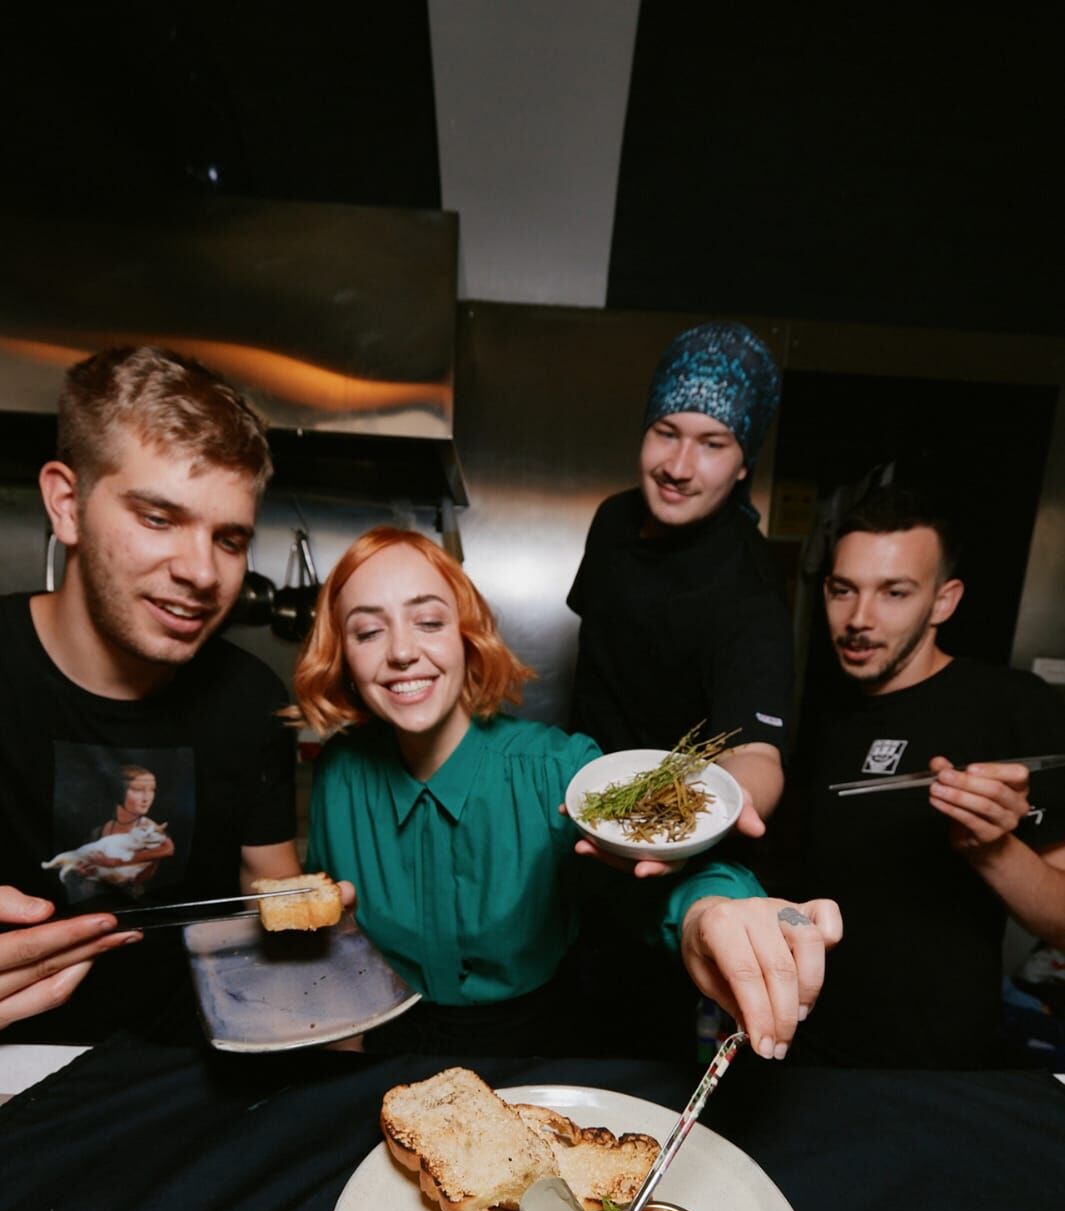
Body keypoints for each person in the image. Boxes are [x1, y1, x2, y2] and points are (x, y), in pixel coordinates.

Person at [294, 528, 841, 1060]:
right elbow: (335, 932)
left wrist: (715, 912)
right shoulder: (340, 772)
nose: (402, 652)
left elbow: (669, 872)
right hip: (391, 1047)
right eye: (368, 632)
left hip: (535, 1050)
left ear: (466, 634)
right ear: (343, 654)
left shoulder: (556, 767)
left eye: (429, 621)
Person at [0, 346, 304, 1043]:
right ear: (67, 503)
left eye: (229, 538)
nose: (202, 572)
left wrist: (317, 919)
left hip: (183, 1075)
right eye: (159, 518)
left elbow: (271, 890)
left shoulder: (249, 697)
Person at [777, 485, 1065, 1070]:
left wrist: (993, 848)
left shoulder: (1012, 706)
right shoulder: (820, 714)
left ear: (943, 601)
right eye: (843, 591)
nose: (859, 619)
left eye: (894, 593)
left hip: (939, 1065)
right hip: (804, 1050)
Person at [567, 319, 791, 838]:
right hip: (579, 802)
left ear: (743, 465)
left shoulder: (750, 584)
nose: (679, 466)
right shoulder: (612, 520)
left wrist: (715, 816)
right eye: (666, 433)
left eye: (712, 444)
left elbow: (756, 753)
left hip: (668, 833)